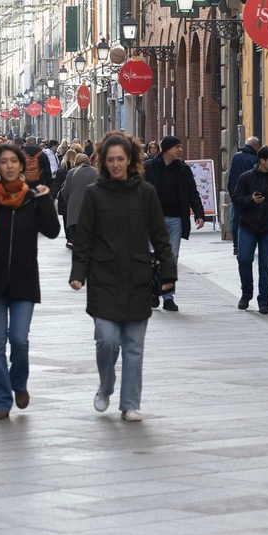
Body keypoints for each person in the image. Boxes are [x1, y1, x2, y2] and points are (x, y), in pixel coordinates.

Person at [69, 132, 176, 421]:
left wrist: (168, 273)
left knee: (133, 346)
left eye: (121, 159)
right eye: (111, 159)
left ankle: (130, 403)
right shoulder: (94, 194)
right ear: (104, 162)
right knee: (107, 340)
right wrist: (78, 273)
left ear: (131, 161)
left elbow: (160, 236)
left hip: (137, 276)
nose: (116, 164)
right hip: (103, 278)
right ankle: (106, 385)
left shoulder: (146, 193)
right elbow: (84, 238)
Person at [0, 143, 60, 420]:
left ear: (21, 166)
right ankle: (0, 400)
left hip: (24, 281)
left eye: (14, 161)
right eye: (4, 162)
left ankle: (19, 383)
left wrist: (46, 199)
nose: (10, 165)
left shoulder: (32, 198)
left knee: (19, 339)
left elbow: (52, 231)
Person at [144, 136, 205, 312]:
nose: (180, 150)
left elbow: (193, 193)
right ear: (167, 149)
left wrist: (199, 214)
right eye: (177, 147)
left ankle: (168, 297)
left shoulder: (183, 169)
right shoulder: (149, 167)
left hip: (176, 220)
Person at [233, 145, 268, 314]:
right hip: (247, 227)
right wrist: (251, 200)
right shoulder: (246, 177)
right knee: (243, 259)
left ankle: (264, 300)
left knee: (266, 265)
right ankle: (246, 293)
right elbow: (236, 198)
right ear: (262, 161)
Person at [226, 137, 261, 253]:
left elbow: (231, 176)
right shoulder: (255, 159)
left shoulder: (236, 156)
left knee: (236, 219)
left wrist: (232, 192)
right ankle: (248, 245)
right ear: (255, 146)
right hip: (250, 196)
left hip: (237, 194)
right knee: (250, 220)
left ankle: (236, 245)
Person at [59, 152, 97, 247]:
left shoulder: (72, 172)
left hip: (75, 209)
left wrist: (70, 200)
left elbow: (65, 191)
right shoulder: (96, 172)